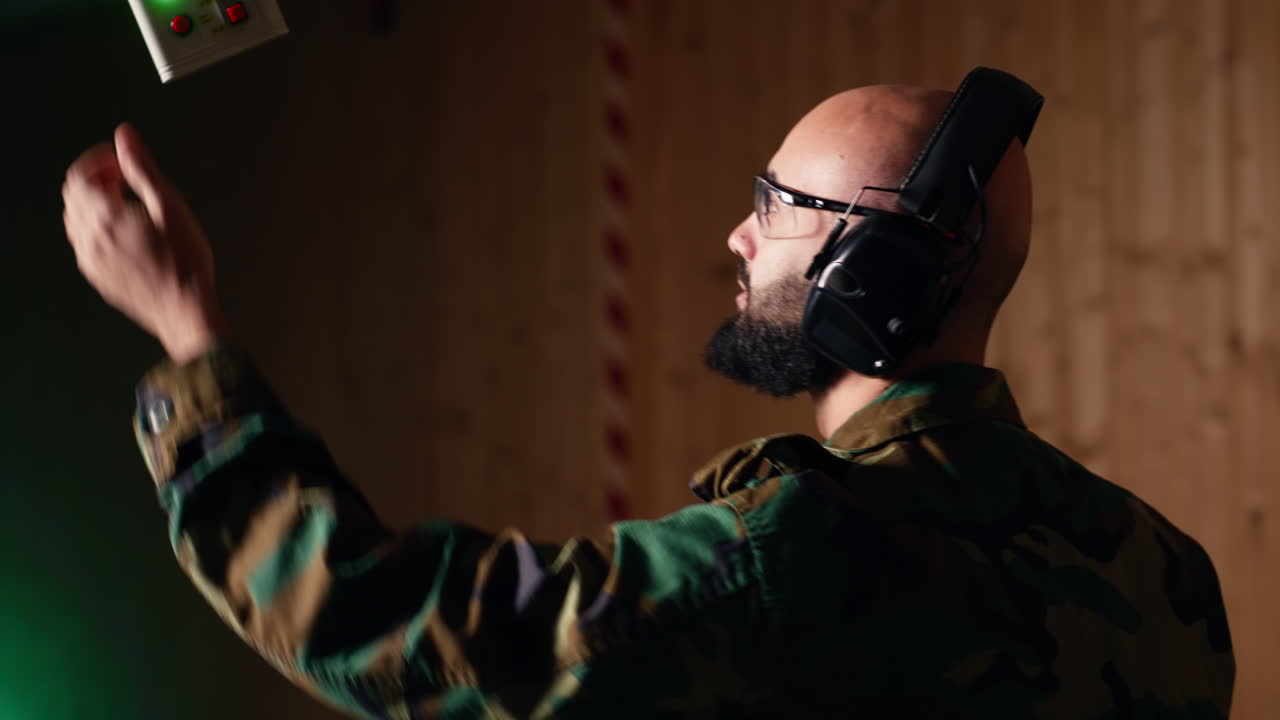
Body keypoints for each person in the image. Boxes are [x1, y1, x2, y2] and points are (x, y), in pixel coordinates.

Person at [61, 82, 1234, 719]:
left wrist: (186, 332)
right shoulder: (1164, 571)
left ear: (865, 274)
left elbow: (392, 631)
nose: (735, 235)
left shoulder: (799, 553)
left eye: (773, 205)